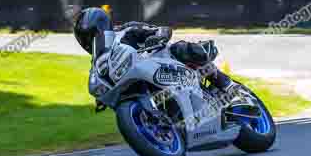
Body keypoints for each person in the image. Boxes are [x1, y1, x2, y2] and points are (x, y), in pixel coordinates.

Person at [73, 7, 235, 91]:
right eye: (85, 39)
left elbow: (161, 30)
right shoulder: (99, 64)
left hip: (163, 64)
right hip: (140, 83)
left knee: (178, 48)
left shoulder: (127, 30)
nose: (90, 41)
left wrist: (156, 37)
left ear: (102, 26)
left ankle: (226, 85)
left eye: (92, 35)